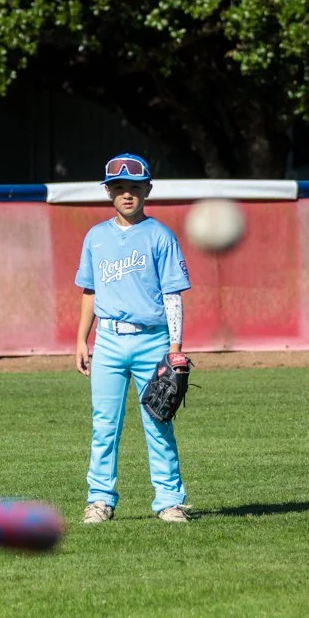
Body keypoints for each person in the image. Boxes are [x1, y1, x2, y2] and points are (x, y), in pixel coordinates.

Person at [73, 153, 192, 524]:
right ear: (108, 192)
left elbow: (173, 295)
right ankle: (99, 500)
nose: (127, 194)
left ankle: (169, 501)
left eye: (135, 187)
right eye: (120, 187)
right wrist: (81, 339)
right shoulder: (96, 237)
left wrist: (175, 348)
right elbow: (89, 291)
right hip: (108, 341)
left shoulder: (160, 235)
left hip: (152, 340)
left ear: (148, 190)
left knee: (159, 421)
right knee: (104, 426)